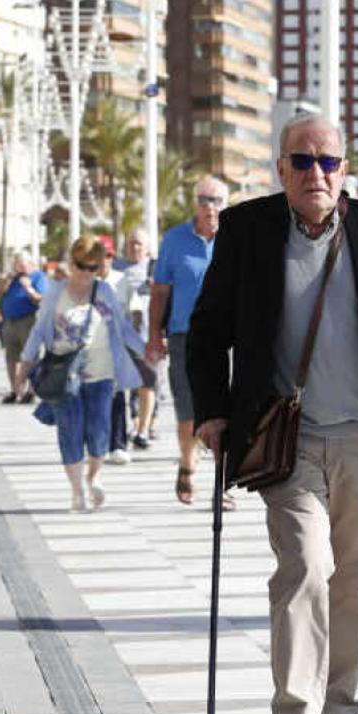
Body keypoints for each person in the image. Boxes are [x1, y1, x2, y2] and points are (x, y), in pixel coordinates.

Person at [187, 113, 358, 714]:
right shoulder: (247, 229)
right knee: (303, 567)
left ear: (345, 169)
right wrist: (212, 412)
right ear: (281, 169)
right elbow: (208, 330)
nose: (315, 173)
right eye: (302, 161)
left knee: (355, 581)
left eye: (328, 162)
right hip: (285, 436)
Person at [14, 235, 145, 512]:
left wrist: (147, 349)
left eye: (93, 267)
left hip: (101, 374)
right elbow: (38, 332)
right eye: (82, 265)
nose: (87, 273)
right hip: (64, 377)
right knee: (70, 433)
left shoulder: (104, 292)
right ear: (71, 263)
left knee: (99, 433)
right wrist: (24, 367)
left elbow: (122, 327)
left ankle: (94, 476)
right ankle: (77, 492)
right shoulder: (55, 292)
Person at [146, 176, 228, 505]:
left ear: (226, 204)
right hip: (184, 337)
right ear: (195, 203)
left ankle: (221, 483)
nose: (211, 207)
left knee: (226, 412)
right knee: (188, 411)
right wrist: (154, 334)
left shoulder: (235, 239)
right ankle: (188, 463)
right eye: (205, 200)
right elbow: (160, 291)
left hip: (227, 338)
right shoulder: (175, 240)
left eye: (217, 200)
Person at [115, 228, 159, 449]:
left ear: (147, 247)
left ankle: (143, 429)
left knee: (147, 384)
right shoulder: (115, 267)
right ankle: (129, 426)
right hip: (118, 337)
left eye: (139, 243)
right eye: (131, 243)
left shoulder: (155, 268)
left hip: (145, 337)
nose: (134, 247)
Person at [98, 247, 132, 465]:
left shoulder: (122, 280)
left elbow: (134, 310)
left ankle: (118, 444)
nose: (104, 260)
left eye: (109, 256)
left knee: (118, 395)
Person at [0, 254, 47, 404]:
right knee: (11, 357)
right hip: (10, 321)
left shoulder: (38, 276)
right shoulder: (13, 277)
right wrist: (4, 282)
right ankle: (15, 390)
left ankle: (31, 391)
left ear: (30, 263)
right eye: (16, 263)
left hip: (28, 320)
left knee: (30, 357)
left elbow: (40, 298)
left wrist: (28, 287)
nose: (17, 266)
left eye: (20, 263)